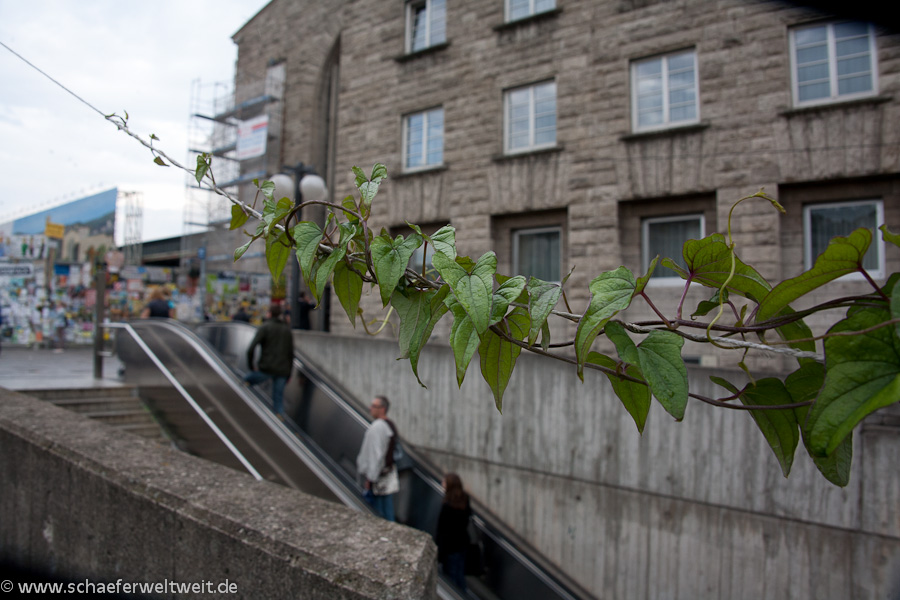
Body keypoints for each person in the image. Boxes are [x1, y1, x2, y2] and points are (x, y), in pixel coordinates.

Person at [244, 304, 294, 419]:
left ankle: (238, 394)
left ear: (270, 314)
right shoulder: (286, 330)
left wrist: (251, 367)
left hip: (267, 367)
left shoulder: (265, 327)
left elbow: (251, 348)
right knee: (278, 399)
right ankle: (279, 420)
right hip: (283, 370)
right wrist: (289, 373)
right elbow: (291, 353)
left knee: (245, 381)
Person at [356, 395, 400, 521]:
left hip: (378, 477)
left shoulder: (378, 427)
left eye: (374, 406)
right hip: (386, 474)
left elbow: (376, 454)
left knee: (379, 513)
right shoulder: (390, 425)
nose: (371, 408)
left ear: (383, 409)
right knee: (387, 510)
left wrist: (370, 478)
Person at [435, 472, 472, 593]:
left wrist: (438, 550)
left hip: (450, 548)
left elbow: (442, 530)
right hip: (462, 544)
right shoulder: (464, 500)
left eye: (444, 482)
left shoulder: (447, 506)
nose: (442, 484)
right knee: (459, 574)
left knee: (451, 578)